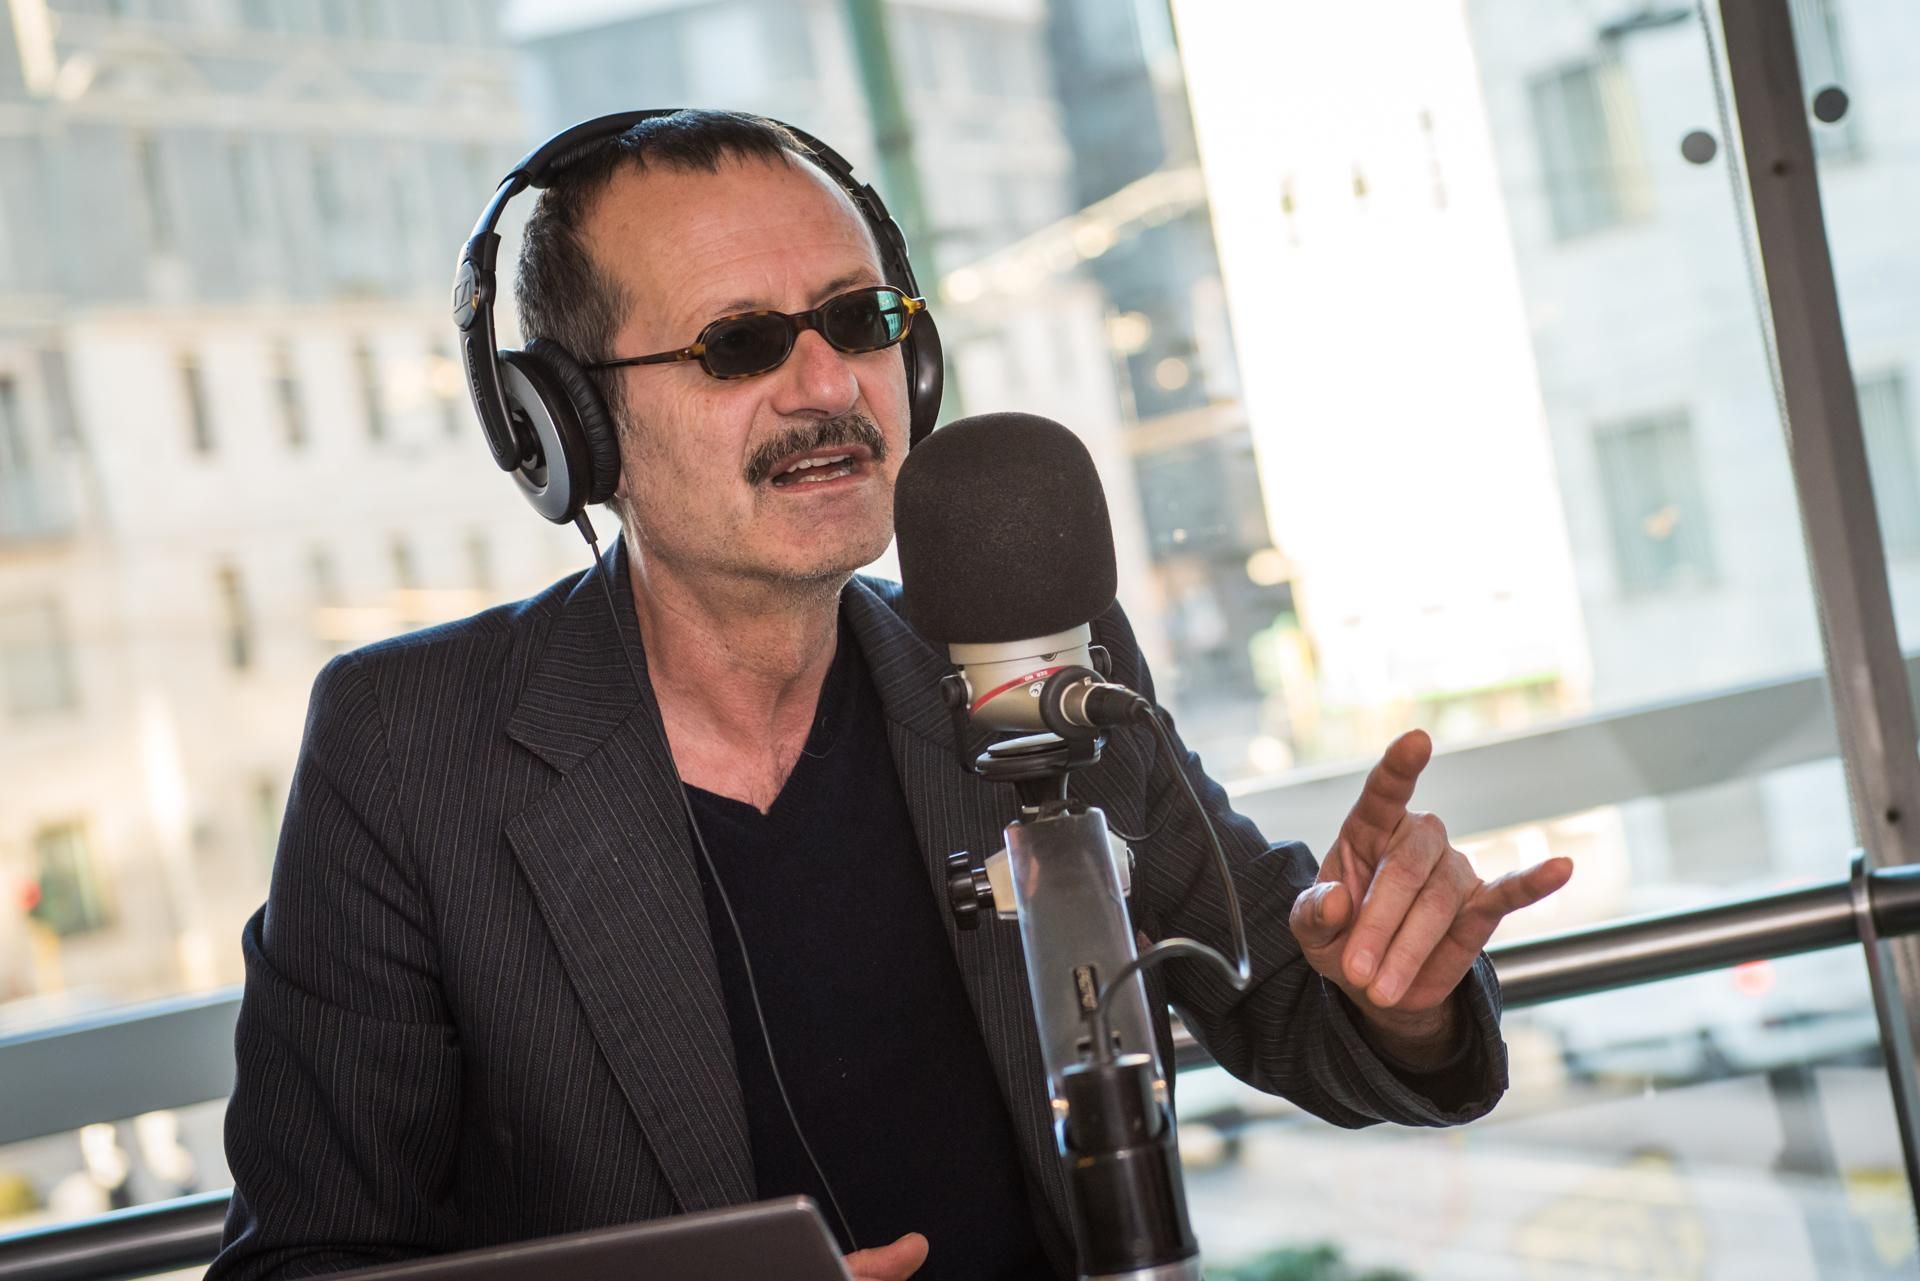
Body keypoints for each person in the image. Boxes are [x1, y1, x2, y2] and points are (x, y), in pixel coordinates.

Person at [209, 110, 1572, 1281]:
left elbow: (1288, 1001)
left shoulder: (1032, 651)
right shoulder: (407, 752)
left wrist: (1397, 992)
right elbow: (300, 1262)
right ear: (563, 426)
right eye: (740, 343)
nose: (827, 385)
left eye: (861, 322)